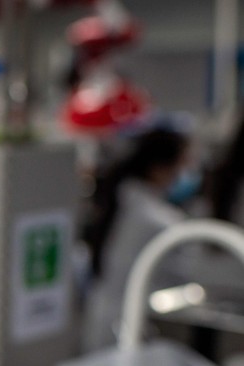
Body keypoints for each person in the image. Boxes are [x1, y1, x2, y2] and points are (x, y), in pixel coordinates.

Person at [81, 128, 193, 351]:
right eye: (181, 165)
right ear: (159, 167)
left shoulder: (123, 200)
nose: (183, 175)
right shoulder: (158, 220)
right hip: (123, 325)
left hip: (103, 318)